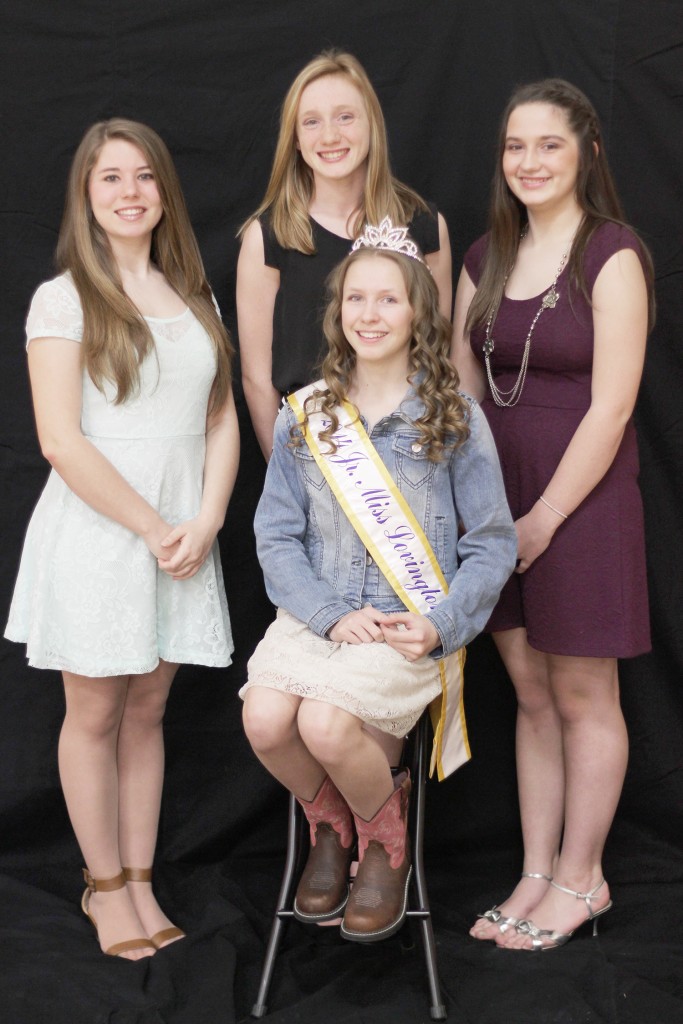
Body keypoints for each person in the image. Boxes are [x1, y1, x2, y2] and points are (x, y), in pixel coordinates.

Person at [240, 222, 517, 943]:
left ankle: (384, 847)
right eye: (355, 298)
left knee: (326, 725)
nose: (368, 313)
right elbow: (275, 536)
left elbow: (490, 544)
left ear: (417, 313)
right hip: (317, 615)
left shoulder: (455, 418)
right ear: (338, 313)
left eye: (386, 299)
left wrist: (442, 624)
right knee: (266, 720)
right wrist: (328, 614)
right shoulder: (307, 417)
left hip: (403, 626)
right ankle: (333, 824)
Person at [4, 119, 239, 959]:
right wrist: (151, 527)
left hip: (184, 532)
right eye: (111, 178)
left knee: (149, 710)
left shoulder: (194, 293)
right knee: (97, 711)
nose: (131, 192)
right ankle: (103, 887)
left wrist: (205, 519)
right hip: (105, 532)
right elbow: (61, 441)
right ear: (87, 195)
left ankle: (140, 879)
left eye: (144, 176)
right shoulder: (63, 298)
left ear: (163, 191)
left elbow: (220, 421)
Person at [451, 79, 654, 951]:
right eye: (513, 147)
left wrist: (540, 521)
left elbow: (611, 408)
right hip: (495, 501)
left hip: (581, 499)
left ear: (587, 154)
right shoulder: (480, 257)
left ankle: (584, 878)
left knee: (580, 694)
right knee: (529, 695)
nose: (527, 162)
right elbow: (458, 390)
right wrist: (483, 513)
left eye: (548, 145)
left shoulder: (611, 254)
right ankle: (536, 873)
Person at [237, 49, 452, 462]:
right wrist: (284, 473)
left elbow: (439, 357)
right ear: (296, 140)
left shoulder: (423, 226)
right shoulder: (268, 237)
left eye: (345, 117)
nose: (330, 136)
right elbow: (256, 379)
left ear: (372, 124)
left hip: (408, 454)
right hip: (310, 454)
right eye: (312, 122)